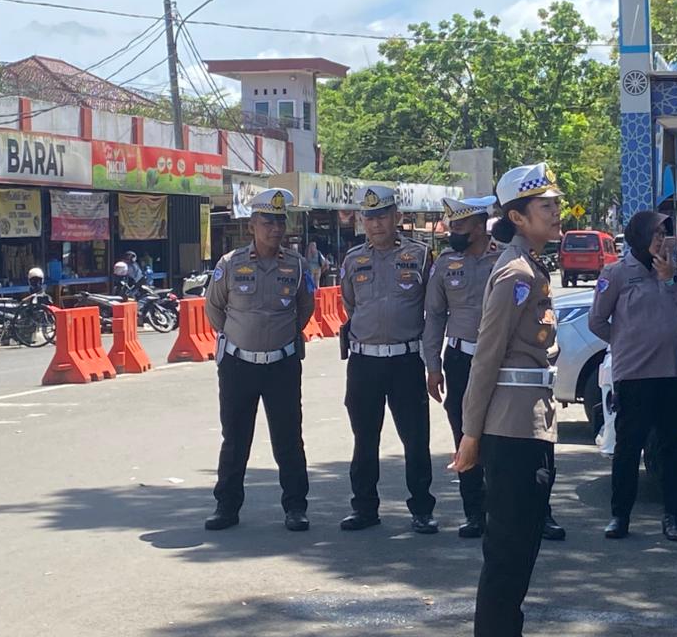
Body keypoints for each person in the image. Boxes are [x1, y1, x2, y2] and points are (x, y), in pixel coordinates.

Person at [452, 162, 562, 637]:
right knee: (505, 562)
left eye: (556, 203)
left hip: (531, 429)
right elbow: (486, 357)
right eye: (547, 206)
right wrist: (470, 437)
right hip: (511, 434)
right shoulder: (515, 274)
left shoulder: (533, 268)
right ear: (518, 217)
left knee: (518, 561)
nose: (557, 212)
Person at [203, 188, 315, 532]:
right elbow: (213, 308)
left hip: (281, 365)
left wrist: (279, 337)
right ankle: (227, 506)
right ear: (252, 224)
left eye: (280, 221)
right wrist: (242, 337)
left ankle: (295, 507)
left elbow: (305, 307)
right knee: (235, 438)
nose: (275, 229)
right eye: (268, 221)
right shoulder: (231, 263)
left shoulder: (296, 264)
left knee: (288, 438)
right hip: (239, 365)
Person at [588, 209, 677, 542]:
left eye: (663, 234)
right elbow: (597, 320)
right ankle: (620, 516)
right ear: (638, 236)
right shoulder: (617, 273)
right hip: (634, 375)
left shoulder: (671, 271)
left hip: (672, 373)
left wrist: (671, 279)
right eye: (655, 234)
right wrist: (624, 343)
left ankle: (672, 517)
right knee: (628, 448)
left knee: (671, 449)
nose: (660, 240)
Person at [339, 185, 438, 534]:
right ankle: (364, 508)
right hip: (365, 362)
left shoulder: (421, 256)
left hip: (405, 361)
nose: (376, 224)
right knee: (364, 438)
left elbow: (433, 308)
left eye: (382, 216)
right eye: (370, 218)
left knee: (415, 439)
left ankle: (422, 509)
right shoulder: (353, 260)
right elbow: (351, 305)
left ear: (397, 217)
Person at [423, 195, 502, 538]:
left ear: (481, 225)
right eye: (451, 224)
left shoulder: (505, 257)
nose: (453, 231)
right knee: (464, 435)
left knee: (509, 437)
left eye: (460, 225)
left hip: (501, 360)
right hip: (459, 360)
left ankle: (533, 512)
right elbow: (435, 316)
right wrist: (433, 365)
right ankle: (474, 513)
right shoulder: (444, 264)